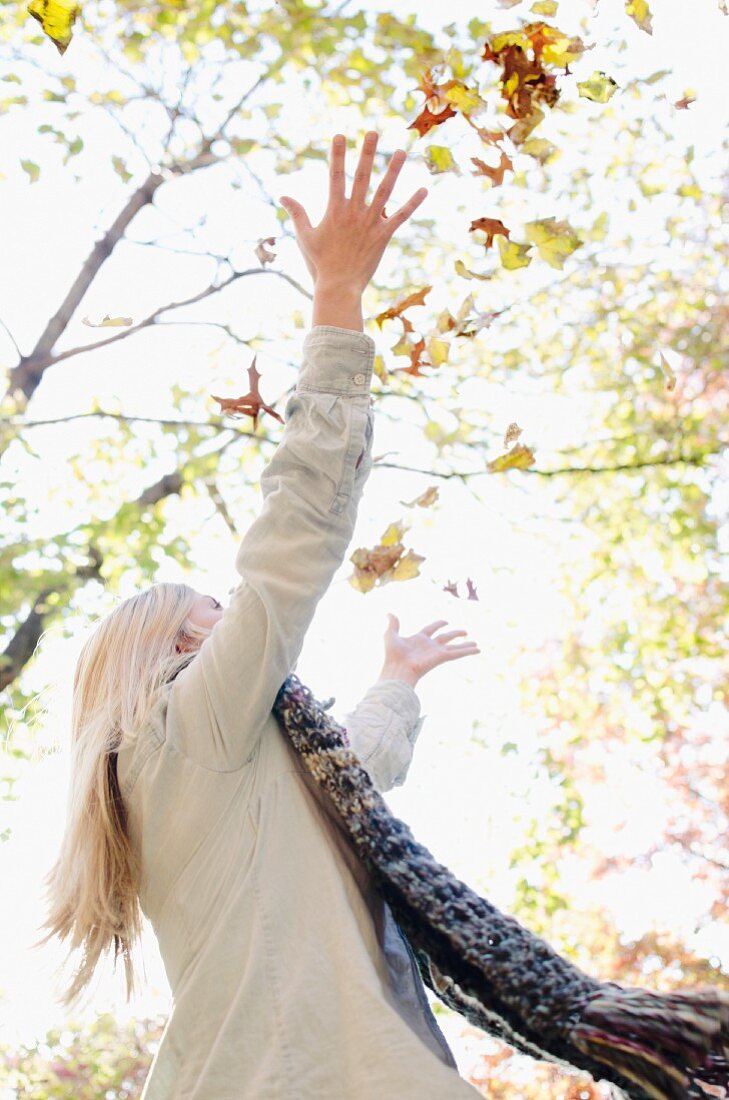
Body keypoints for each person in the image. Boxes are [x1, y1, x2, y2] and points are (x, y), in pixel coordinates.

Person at [38, 130, 482, 1098]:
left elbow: (349, 779)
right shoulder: (182, 726)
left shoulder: (216, 754)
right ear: (169, 644)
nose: (233, 617)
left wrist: (395, 685)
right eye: (211, 609)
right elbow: (289, 548)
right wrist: (336, 306)